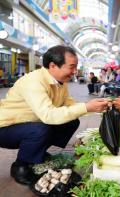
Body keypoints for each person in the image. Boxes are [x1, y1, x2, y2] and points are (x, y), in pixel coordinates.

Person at [0, 45, 109, 185]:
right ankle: (20, 166)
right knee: (40, 130)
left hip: (30, 124)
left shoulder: (60, 82)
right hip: (6, 128)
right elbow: (48, 115)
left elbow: (69, 105)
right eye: (71, 67)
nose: (75, 72)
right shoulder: (33, 82)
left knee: (71, 121)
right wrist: (86, 107)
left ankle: (38, 151)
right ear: (53, 65)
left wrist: (95, 107)